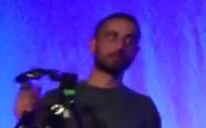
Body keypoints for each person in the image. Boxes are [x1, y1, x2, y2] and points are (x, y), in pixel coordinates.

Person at [12, 12, 160, 128]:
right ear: (93, 44)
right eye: (112, 36)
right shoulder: (56, 99)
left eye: (129, 40)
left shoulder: (144, 108)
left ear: (136, 52)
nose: (120, 46)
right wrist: (24, 117)